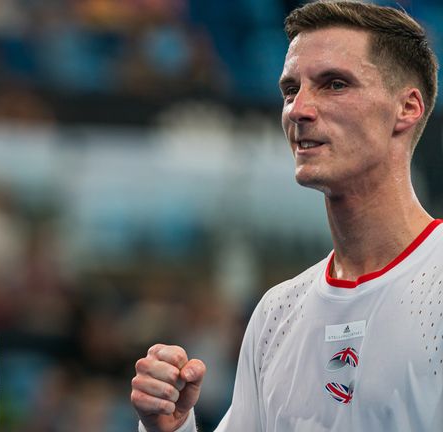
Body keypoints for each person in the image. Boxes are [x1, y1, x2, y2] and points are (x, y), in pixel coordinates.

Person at [131, 1, 442, 431]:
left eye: (334, 84)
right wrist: (171, 428)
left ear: (406, 108)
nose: (298, 109)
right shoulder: (276, 313)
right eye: (290, 89)